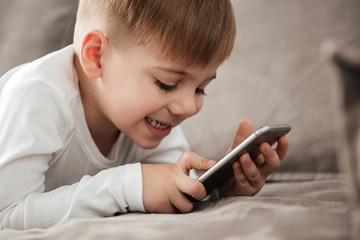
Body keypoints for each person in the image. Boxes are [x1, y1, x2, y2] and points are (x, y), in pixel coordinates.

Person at [0, 0, 288, 230]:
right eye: (167, 84)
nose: (187, 107)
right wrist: (126, 185)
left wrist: (217, 189)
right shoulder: (37, 96)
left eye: (201, 88)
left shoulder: (153, 117)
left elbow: (166, 187)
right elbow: (5, 217)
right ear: (96, 56)